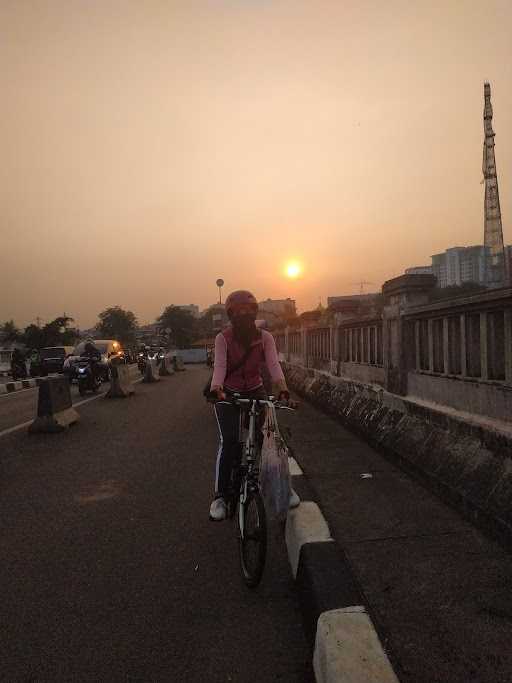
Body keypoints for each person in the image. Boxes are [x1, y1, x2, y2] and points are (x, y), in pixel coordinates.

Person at [208, 290, 299, 521]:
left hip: (256, 390)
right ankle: (219, 497)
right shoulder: (223, 339)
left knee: (270, 438)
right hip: (227, 393)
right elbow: (219, 367)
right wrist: (217, 389)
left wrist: (282, 388)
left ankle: (283, 489)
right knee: (228, 441)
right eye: (237, 313)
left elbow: (273, 365)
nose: (243, 316)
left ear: (254, 313)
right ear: (230, 315)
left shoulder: (265, 337)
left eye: (247, 312)